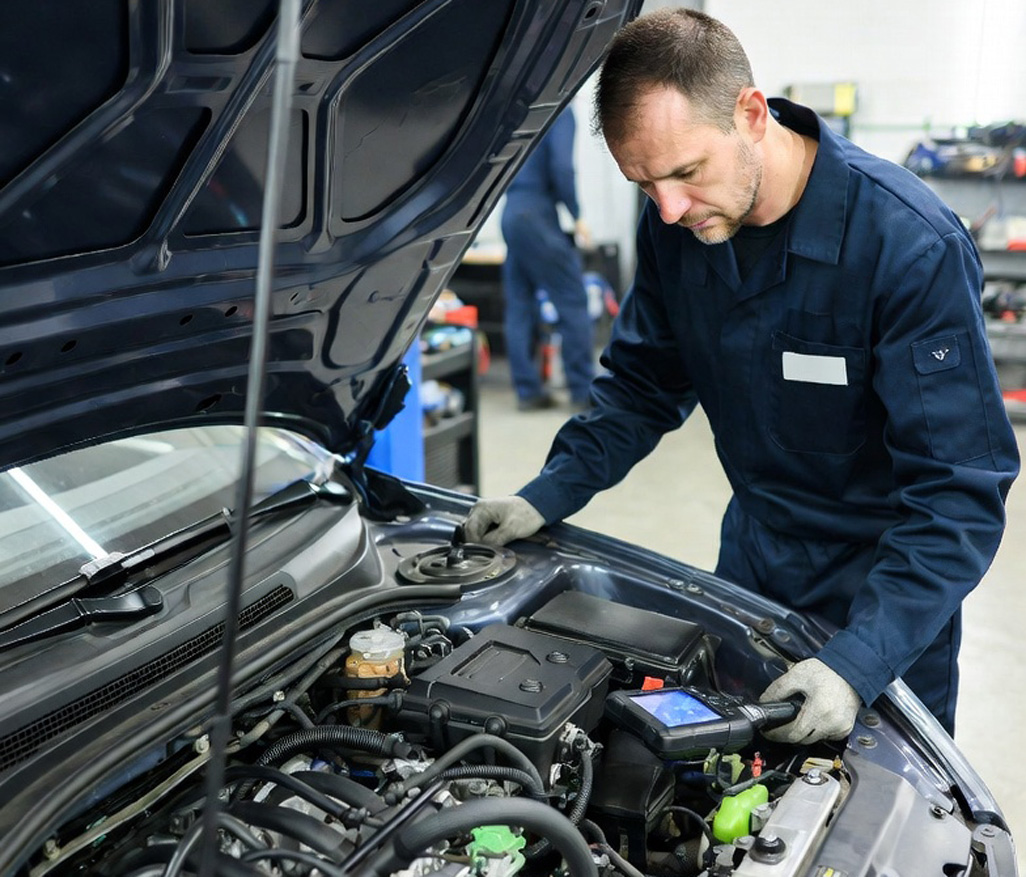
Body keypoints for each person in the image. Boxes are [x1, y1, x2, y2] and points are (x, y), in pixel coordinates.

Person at [465, 8, 1019, 743]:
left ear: (751, 114)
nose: (668, 207)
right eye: (644, 183)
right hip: (752, 568)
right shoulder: (678, 222)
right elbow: (641, 385)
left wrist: (856, 662)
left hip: (887, 596)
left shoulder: (908, 246)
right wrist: (546, 493)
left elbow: (958, 496)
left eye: (687, 172)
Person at [501, 105, 595, 411]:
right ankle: (582, 390)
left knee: (519, 304)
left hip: (511, 212)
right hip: (537, 212)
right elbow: (562, 167)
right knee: (573, 299)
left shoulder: (516, 113)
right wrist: (577, 215)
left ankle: (527, 391)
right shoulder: (560, 112)